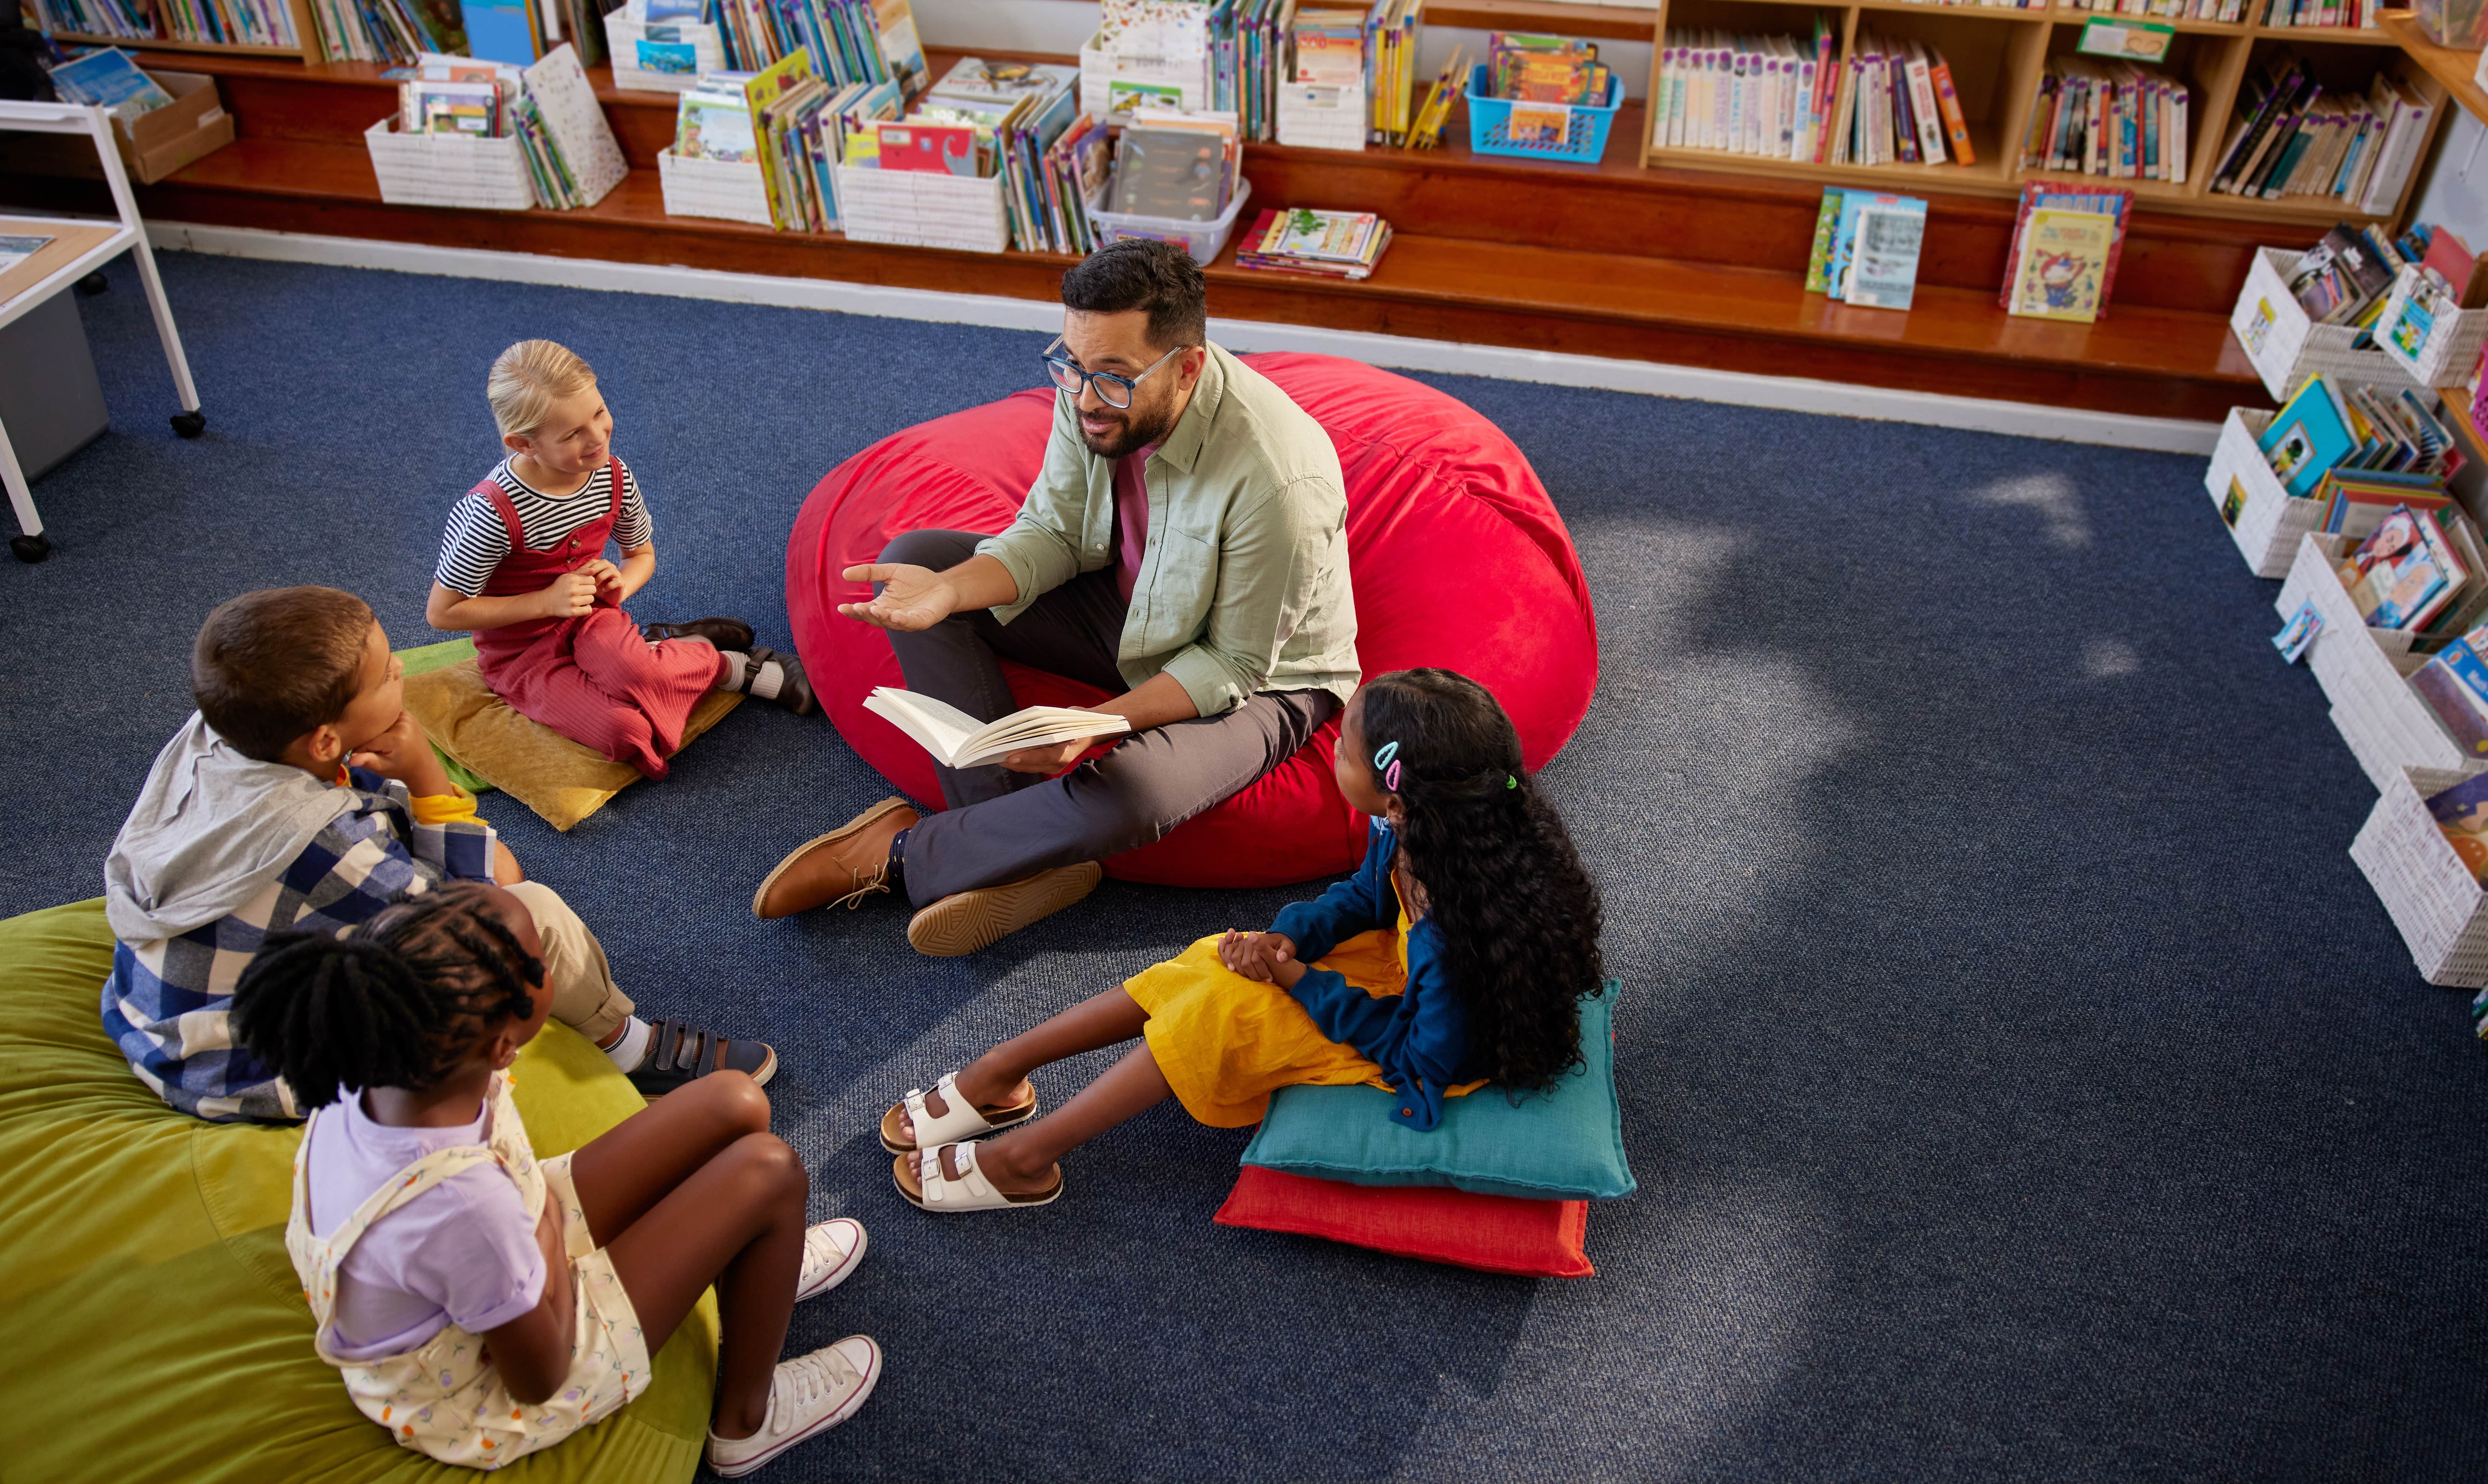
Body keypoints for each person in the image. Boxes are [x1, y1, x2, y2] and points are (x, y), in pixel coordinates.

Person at [753, 241, 1361, 956]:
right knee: (916, 560)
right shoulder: (1091, 390)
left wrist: (1096, 722)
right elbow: (1055, 533)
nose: (1082, 397)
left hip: (1268, 681)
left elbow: (1232, 663)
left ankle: (906, 850)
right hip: (1127, 606)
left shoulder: (1280, 479)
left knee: (1139, 791)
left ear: (1188, 365)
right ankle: (1013, 852)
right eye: (1070, 364)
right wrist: (950, 591)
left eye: (1112, 376)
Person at [872, 669, 1607, 1212]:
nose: (1333, 752)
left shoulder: (1456, 934)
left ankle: (1029, 1156)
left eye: (1344, 752)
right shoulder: (1416, 829)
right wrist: (1282, 940)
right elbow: (1362, 898)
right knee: (1214, 957)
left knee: (1221, 1017)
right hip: (1400, 971)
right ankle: (1003, 1068)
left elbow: (1414, 1051)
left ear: (1394, 794)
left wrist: (1292, 981)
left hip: (1420, 1043)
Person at [232, 883, 881, 1473]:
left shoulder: (384, 1063)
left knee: (735, 1101)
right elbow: (536, 1378)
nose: (550, 955)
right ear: (503, 1046)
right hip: (498, 1375)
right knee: (770, 1172)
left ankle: (744, 1266)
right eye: (540, 961)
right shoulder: (464, 1207)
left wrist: (534, 1225)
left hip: (505, 1242)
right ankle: (745, 1422)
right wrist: (541, 1240)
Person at [103, 586, 774, 1122]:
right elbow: (491, 893)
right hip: (256, 1071)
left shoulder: (213, 738)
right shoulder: (324, 841)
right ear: (323, 741)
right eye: (386, 673)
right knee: (531, 912)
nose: (403, 667)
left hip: (158, 1019)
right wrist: (425, 771)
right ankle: (629, 1048)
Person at [425, 339, 812, 780]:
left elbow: (641, 555)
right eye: (572, 434)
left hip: (593, 618)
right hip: (521, 655)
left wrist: (621, 586)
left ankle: (731, 667)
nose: (597, 438)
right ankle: (668, 650)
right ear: (524, 444)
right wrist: (546, 603)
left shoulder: (613, 475)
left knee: (638, 676)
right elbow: (443, 612)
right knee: (626, 731)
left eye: (599, 413)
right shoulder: (489, 514)